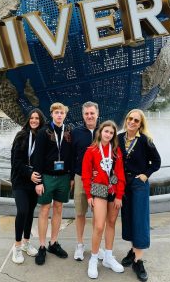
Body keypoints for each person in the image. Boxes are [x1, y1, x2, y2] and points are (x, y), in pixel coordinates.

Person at [118, 109, 161, 282]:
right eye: (130, 118)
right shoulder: (119, 138)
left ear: (140, 124)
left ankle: (138, 261)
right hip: (123, 184)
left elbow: (156, 162)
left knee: (140, 220)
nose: (132, 122)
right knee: (128, 218)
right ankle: (133, 250)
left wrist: (145, 174)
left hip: (138, 185)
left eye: (136, 120)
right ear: (126, 119)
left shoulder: (145, 140)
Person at [82, 120, 126, 279]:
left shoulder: (116, 151)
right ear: (100, 132)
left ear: (114, 135)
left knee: (112, 223)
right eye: (106, 131)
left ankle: (108, 257)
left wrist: (120, 195)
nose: (108, 134)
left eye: (111, 132)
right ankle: (94, 259)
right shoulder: (91, 150)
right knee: (99, 226)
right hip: (99, 190)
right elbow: (86, 175)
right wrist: (88, 195)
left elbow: (120, 174)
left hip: (114, 190)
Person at [33, 102, 73, 266]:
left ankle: (53, 243)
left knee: (58, 208)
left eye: (62, 113)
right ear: (51, 114)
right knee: (44, 209)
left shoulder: (69, 132)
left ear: (65, 115)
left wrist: (70, 177)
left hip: (63, 176)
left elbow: (71, 155)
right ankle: (42, 245)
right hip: (48, 176)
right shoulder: (43, 132)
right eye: (56, 112)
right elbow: (37, 156)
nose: (59, 115)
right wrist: (39, 181)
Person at [10, 108, 46, 264]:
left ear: (41, 121)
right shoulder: (21, 136)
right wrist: (28, 173)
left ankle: (26, 242)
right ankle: (17, 246)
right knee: (22, 211)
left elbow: (44, 161)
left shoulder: (42, 137)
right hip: (20, 180)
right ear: (28, 120)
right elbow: (16, 161)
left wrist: (38, 178)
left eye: (37, 118)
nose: (34, 121)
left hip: (34, 181)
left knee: (30, 212)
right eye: (32, 118)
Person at [71, 101, 104, 261]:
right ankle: (79, 245)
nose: (89, 116)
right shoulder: (76, 132)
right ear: (83, 115)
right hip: (80, 178)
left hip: (99, 180)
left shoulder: (105, 131)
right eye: (86, 114)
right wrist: (71, 177)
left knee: (97, 216)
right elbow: (71, 156)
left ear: (97, 114)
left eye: (92, 113)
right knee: (80, 213)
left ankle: (96, 246)